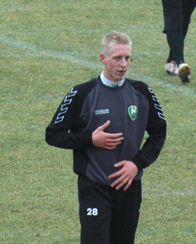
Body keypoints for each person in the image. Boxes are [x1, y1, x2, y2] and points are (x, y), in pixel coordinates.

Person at [46, 31, 166, 244]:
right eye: (117, 58)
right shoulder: (81, 94)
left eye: (127, 58)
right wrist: (89, 140)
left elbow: (159, 132)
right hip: (94, 186)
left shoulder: (142, 92)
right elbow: (53, 134)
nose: (123, 64)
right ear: (103, 59)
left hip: (129, 187)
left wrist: (137, 164)